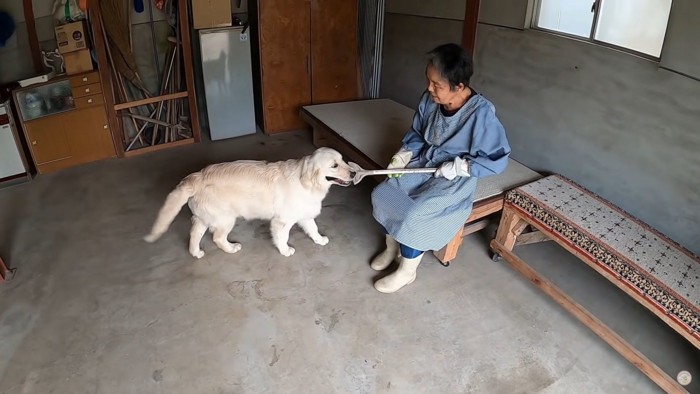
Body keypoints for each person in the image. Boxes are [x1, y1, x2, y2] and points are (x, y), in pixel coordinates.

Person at [370, 43, 511, 293]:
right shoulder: (430, 99)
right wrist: (403, 155)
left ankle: (407, 271)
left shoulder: (481, 114)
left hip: (455, 176)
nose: (429, 89)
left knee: (416, 214)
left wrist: (460, 167)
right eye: (429, 81)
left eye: (437, 85)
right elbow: (417, 131)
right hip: (425, 161)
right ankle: (392, 248)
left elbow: (497, 159)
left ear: (459, 86)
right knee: (385, 193)